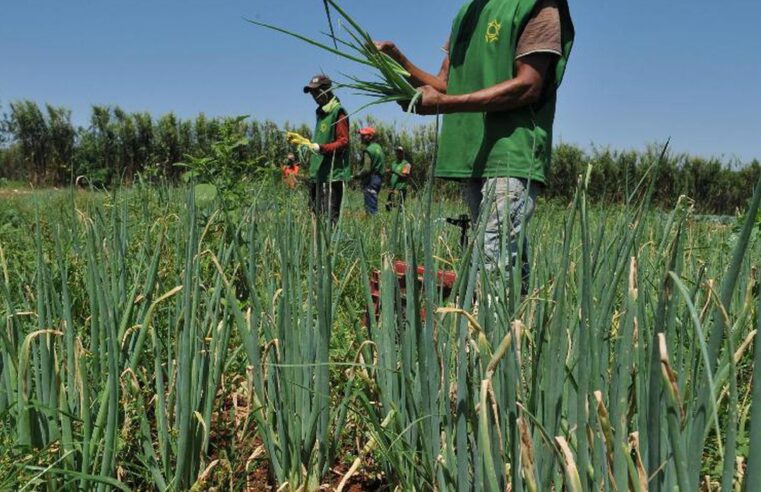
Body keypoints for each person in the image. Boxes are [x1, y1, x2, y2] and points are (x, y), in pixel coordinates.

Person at [375, 0, 574, 292]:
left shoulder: (538, 5)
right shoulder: (466, 13)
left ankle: (483, 336)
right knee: (502, 256)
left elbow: (529, 85)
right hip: (471, 153)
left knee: (493, 260)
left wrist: (444, 104)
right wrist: (397, 61)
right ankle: (523, 328)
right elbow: (445, 84)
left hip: (511, 152)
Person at [293, 74, 351, 225]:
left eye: (316, 92)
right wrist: (306, 144)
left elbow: (343, 142)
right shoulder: (321, 113)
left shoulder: (338, 112)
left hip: (331, 176)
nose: (314, 96)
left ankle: (330, 248)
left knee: (329, 220)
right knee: (315, 216)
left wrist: (321, 148)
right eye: (312, 93)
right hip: (318, 173)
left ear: (327, 90)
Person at [355, 127, 385, 216]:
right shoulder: (378, 147)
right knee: (373, 201)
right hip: (378, 178)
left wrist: (357, 175)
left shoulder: (368, 150)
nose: (361, 137)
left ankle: (374, 226)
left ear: (370, 136)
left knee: (370, 207)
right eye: (361, 135)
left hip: (371, 179)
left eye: (364, 135)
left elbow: (366, 169)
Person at [386, 146, 412, 211]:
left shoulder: (406, 164)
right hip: (392, 188)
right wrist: (389, 172)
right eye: (397, 152)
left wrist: (394, 171)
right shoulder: (394, 163)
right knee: (388, 205)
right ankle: (390, 220)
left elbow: (405, 176)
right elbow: (393, 174)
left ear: (403, 153)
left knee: (399, 207)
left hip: (401, 188)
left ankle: (401, 220)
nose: (398, 153)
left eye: (400, 152)